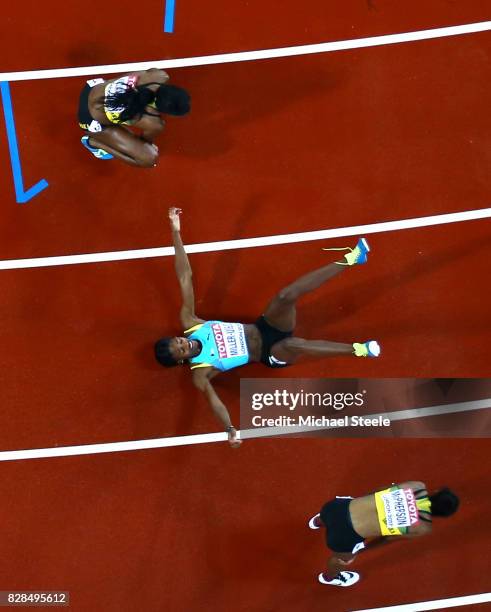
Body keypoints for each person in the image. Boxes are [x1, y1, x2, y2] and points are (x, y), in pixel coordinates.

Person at [154, 208, 381, 448]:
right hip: (270, 353)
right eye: (181, 350)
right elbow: (214, 402)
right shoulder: (200, 372)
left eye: (178, 341)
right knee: (295, 344)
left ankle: (351, 259)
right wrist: (230, 428)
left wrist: (175, 230)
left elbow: (184, 277)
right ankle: (358, 349)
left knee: (286, 295)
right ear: (182, 360)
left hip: (264, 327)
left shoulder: (191, 324)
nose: (183, 344)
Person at [308, 482, 459, 587]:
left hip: (333, 508)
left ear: (436, 492)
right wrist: (362, 549)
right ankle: (330, 577)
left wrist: (359, 503)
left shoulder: (416, 486)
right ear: (441, 515)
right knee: (342, 560)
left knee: (337, 511)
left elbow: (380, 491)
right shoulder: (423, 527)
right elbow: (387, 538)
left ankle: (318, 521)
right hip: (341, 538)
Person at [78, 68, 190, 167]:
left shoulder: (159, 75)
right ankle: (94, 143)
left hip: (92, 88)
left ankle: (111, 116)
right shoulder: (154, 123)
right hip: (89, 121)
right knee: (149, 159)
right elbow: (143, 144)